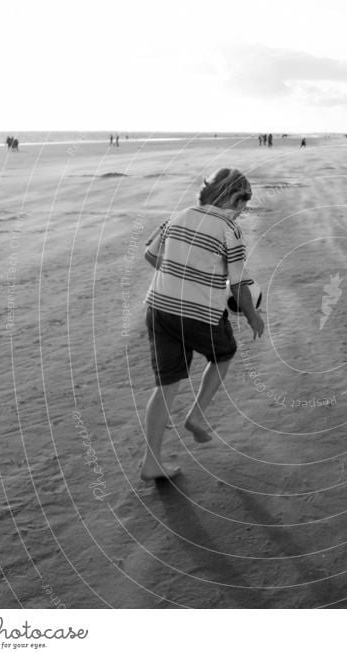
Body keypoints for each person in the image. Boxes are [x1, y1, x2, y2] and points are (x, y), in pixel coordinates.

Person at [140, 168, 265, 480]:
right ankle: (196, 416)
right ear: (230, 198)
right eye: (243, 201)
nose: (243, 209)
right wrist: (253, 316)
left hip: (158, 309)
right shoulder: (229, 230)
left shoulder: (179, 215)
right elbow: (237, 285)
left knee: (165, 387)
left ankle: (150, 462)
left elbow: (150, 254)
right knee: (225, 353)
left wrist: (179, 270)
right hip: (198, 313)